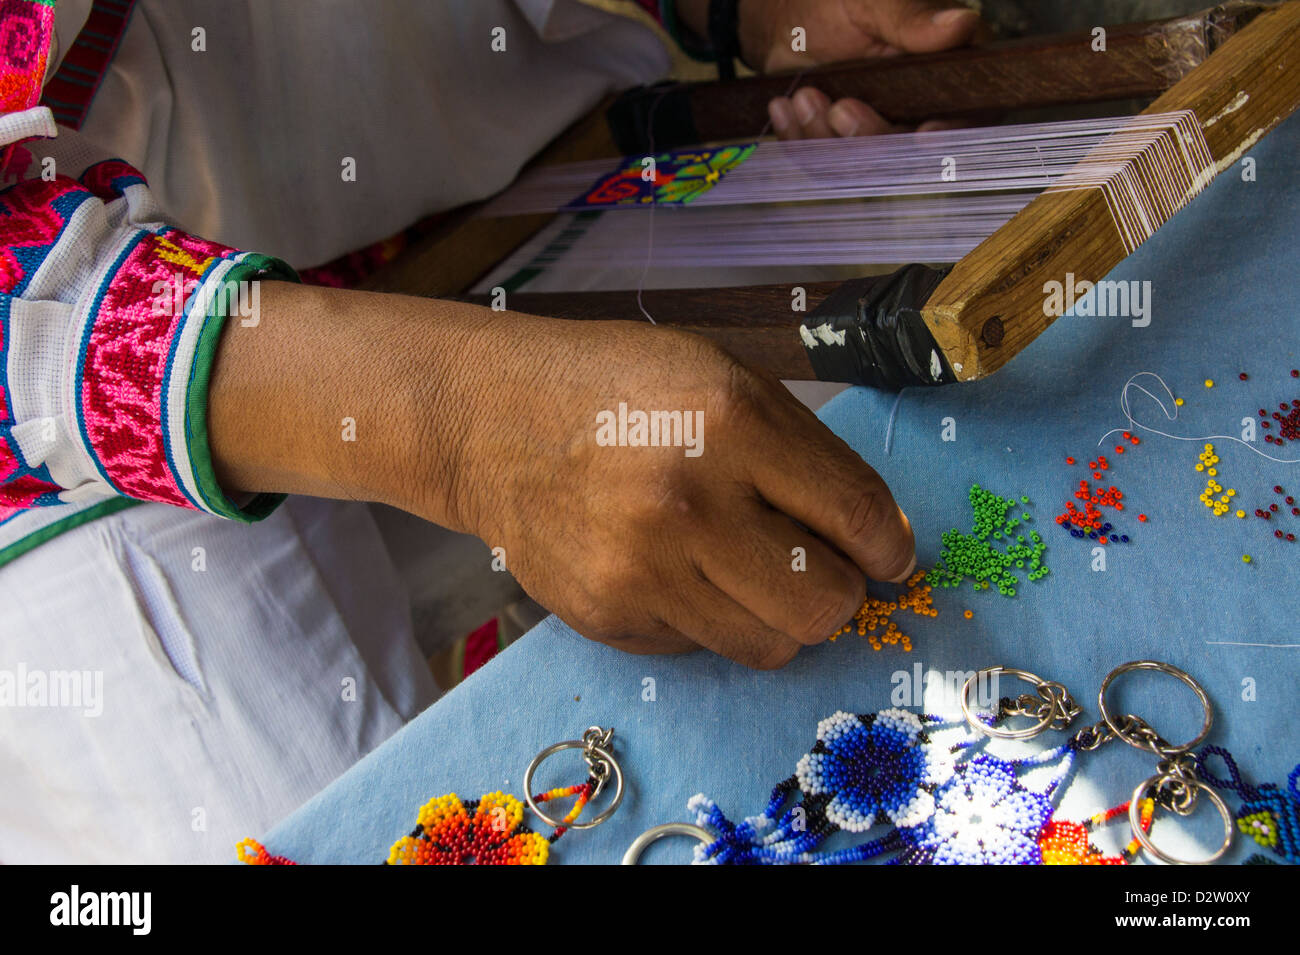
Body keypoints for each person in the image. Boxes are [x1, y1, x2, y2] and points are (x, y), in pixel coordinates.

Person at [0, 0, 978, 861]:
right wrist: (467, 427)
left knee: (904, 428)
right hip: (75, 380)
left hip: (524, 172)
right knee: (320, 824)